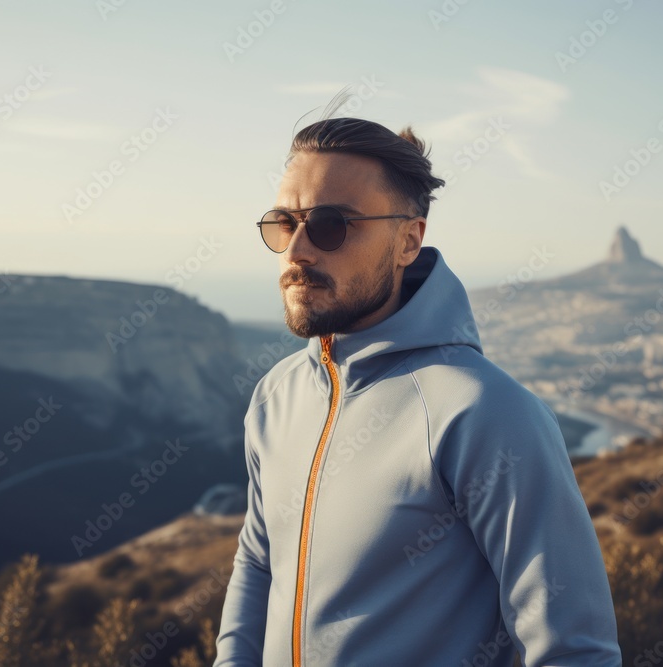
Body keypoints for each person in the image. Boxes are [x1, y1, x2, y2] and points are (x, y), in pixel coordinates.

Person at [214, 112, 621, 666]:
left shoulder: (484, 412)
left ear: (409, 240)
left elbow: (573, 648)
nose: (298, 250)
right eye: (285, 223)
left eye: (332, 224)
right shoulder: (276, 396)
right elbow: (259, 566)